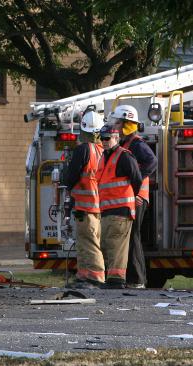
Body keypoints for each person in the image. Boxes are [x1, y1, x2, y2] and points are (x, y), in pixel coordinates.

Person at [109, 104, 157, 289]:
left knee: (133, 236)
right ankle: (133, 278)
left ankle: (137, 280)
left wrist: (135, 181)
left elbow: (151, 162)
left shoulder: (136, 144)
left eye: (118, 122)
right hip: (132, 197)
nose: (116, 126)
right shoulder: (126, 144)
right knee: (129, 237)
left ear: (127, 123)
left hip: (137, 198)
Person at [97, 124, 142, 289]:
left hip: (121, 209)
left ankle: (116, 279)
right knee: (106, 243)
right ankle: (112, 277)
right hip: (106, 210)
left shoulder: (124, 156)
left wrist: (132, 196)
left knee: (116, 245)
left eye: (107, 138)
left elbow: (136, 179)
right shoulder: (104, 156)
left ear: (116, 138)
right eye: (102, 138)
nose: (104, 141)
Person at [63, 111, 105, 289]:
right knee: (85, 241)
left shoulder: (83, 150)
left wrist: (65, 179)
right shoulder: (102, 151)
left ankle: (95, 277)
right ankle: (83, 276)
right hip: (97, 205)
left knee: (88, 242)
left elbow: (70, 176)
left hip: (84, 204)